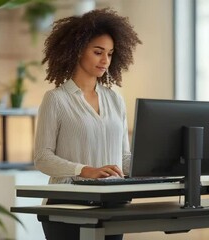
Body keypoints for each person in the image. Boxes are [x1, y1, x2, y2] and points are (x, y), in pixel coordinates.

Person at [34, 8, 142, 240]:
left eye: (110, 54)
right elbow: (42, 158)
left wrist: (154, 166)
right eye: (98, 52)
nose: (105, 60)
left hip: (112, 203)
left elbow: (123, 158)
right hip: (67, 205)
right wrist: (84, 170)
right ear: (77, 51)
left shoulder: (115, 100)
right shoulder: (56, 99)